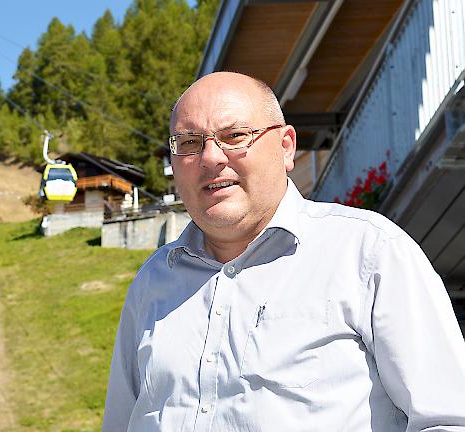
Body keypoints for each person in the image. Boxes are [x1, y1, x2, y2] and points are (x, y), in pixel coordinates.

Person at [102, 72, 465, 431]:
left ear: (286, 146)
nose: (211, 157)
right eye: (190, 142)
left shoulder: (369, 253)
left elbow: (448, 419)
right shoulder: (151, 284)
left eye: (235, 136)